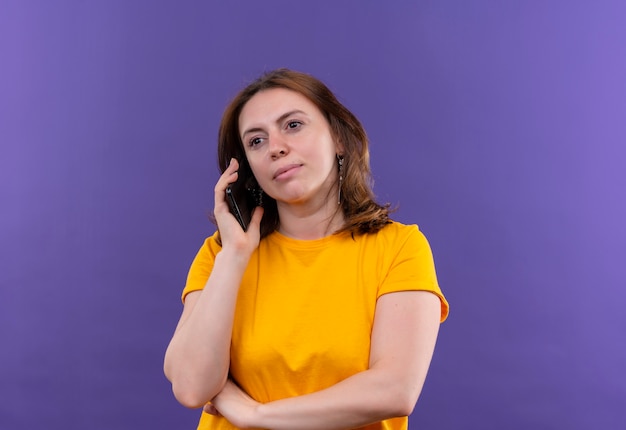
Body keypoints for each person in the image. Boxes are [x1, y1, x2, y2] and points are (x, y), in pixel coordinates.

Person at [164, 68, 449, 430]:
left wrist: (255, 415)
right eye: (256, 141)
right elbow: (191, 387)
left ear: (339, 139)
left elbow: (394, 390)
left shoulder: (398, 247)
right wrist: (234, 256)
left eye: (293, 125)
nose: (276, 147)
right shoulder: (221, 254)